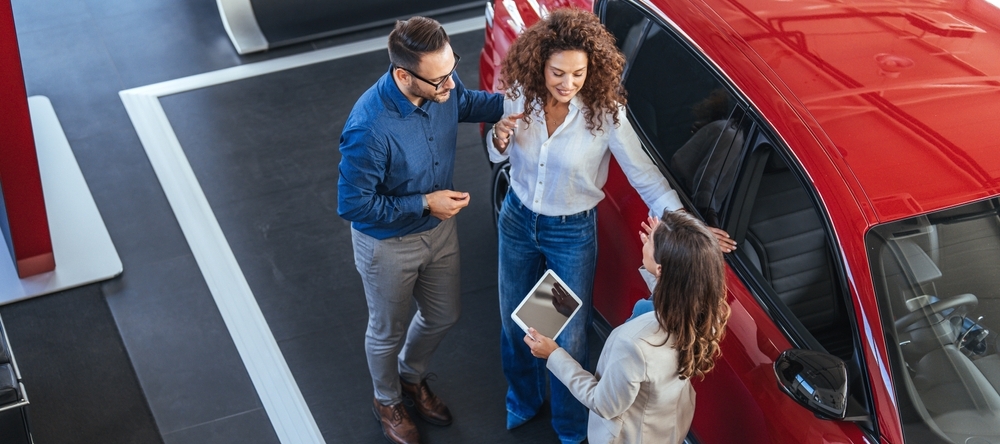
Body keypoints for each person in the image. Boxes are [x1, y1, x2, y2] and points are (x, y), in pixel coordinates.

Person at [486, 8, 733, 443]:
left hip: (569, 233)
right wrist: (498, 139)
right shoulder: (519, 95)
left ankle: (567, 426)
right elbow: (496, 154)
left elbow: (645, 176)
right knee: (516, 322)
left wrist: (687, 226)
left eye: (578, 73)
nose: (567, 84)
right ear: (539, 63)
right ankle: (522, 401)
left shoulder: (606, 112)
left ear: (591, 68)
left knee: (568, 331)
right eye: (558, 73)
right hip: (518, 221)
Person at [337, 16, 503, 444]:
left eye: (452, 70)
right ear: (402, 75)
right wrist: (425, 202)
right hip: (386, 245)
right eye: (438, 81)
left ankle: (411, 377)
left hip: (439, 231)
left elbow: (466, 102)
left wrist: (528, 106)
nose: (449, 86)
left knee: (445, 314)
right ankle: (386, 398)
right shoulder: (368, 128)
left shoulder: (442, 83)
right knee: (386, 330)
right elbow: (353, 204)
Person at [524, 210, 731, 444]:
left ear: (664, 270)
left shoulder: (634, 344)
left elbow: (603, 403)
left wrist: (553, 354)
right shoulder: (704, 310)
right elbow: (675, 292)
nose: (646, 239)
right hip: (667, 427)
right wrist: (660, 259)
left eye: (651, 242)